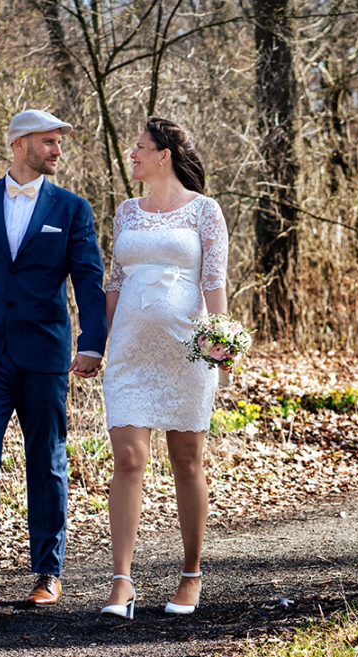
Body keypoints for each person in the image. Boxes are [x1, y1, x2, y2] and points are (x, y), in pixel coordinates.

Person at [0, 109, 107, 610]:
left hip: (44, 355)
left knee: (46, 460)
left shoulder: (72, 208)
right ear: (19, 144)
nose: (57, 150)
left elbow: (88, 281)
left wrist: (92, 343)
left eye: (58, 142)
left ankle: (48, 573)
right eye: (48, 142)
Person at [99, 117, 230, 619]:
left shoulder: (205, 212)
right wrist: (96, 344)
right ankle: (121, 582)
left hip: (187, 351)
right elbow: (114, 282)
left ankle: (191, 574)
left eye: (139, 148)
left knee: (186, 461)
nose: (131, 155)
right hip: (130, 354)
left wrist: (223, 345)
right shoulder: (126, 212)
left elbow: (213, 282)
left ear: (164, 156)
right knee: (129, 459)